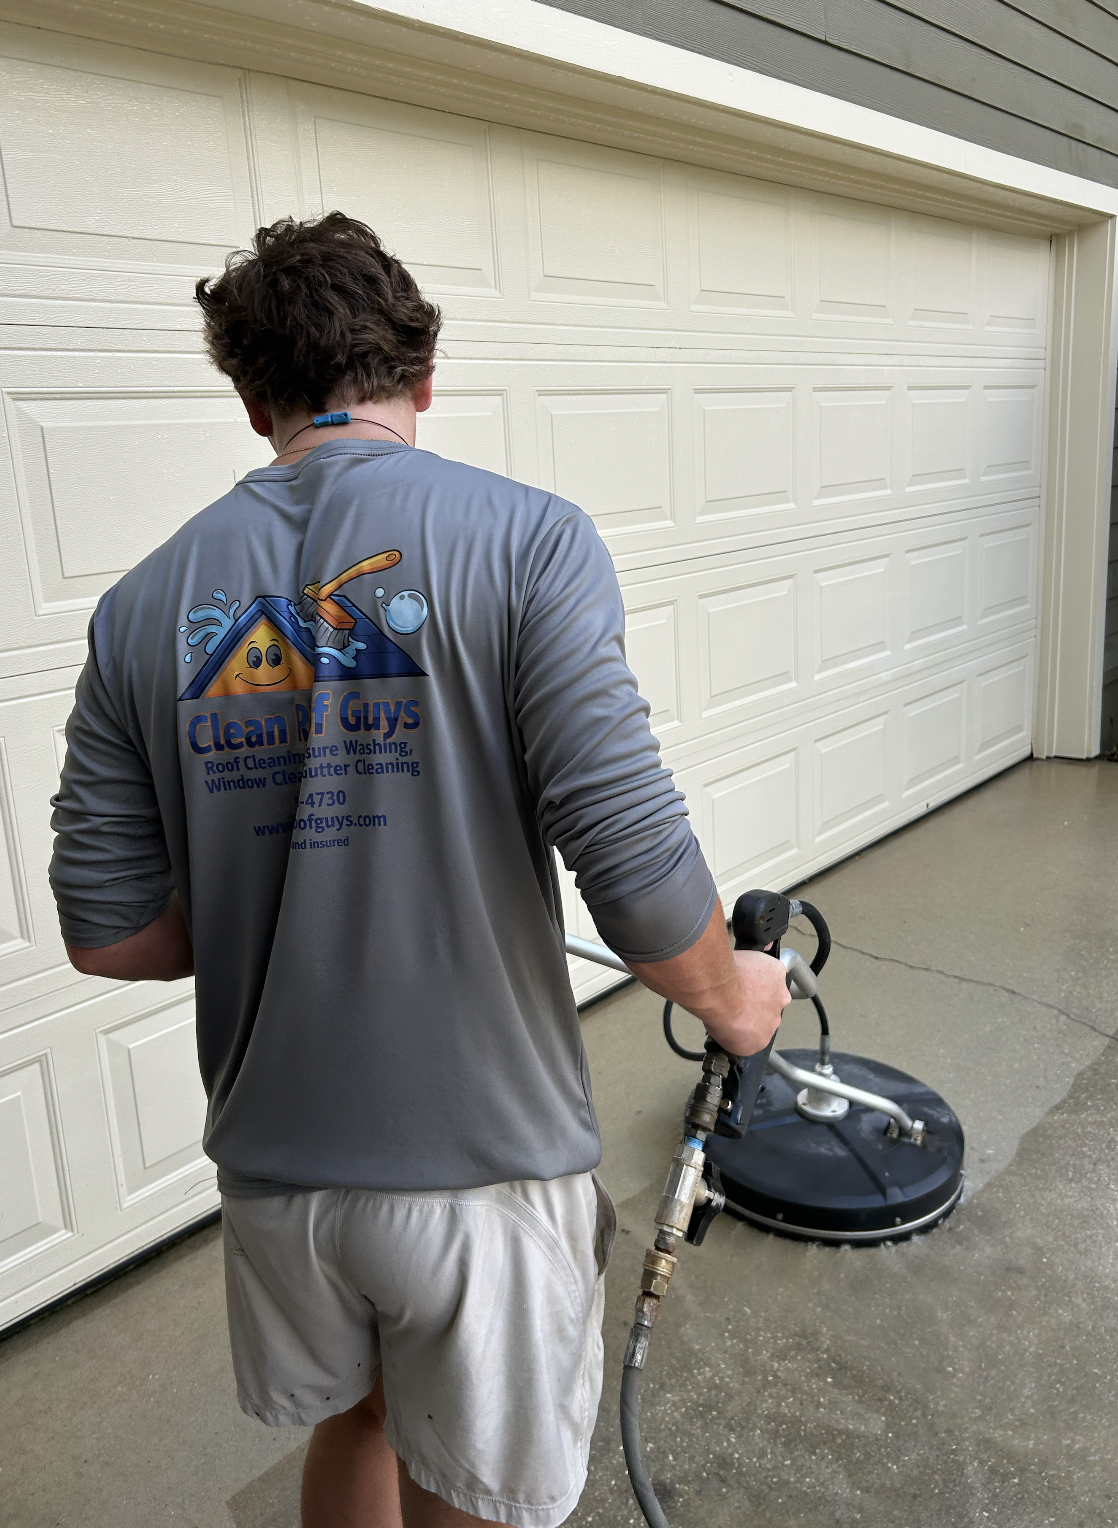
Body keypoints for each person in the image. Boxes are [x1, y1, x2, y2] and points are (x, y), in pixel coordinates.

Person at [49, 212, 788, 1528]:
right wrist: (732, 1000)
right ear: (423, 376)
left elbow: (107, 934)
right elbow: (626, 850)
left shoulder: (142, 605)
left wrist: (278, 892)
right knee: (473, 1492)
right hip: (480, 1172)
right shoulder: (527, 540)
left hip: (277, 1172)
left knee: (361, 1418)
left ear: (248, 394)